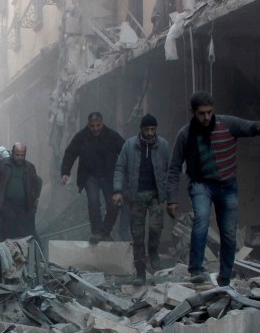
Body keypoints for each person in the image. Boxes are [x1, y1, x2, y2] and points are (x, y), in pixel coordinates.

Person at [167, 91, 260, 286]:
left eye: (209, 112)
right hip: (201, 184)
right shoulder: (185, 134)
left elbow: (254, 126)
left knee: (229, 232)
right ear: (192, 112)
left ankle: (225, 275)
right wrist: (172, 198)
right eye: (201, 113)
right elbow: (173, 168)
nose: (206, 117)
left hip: (227, 186)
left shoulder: (227, 124)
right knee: (201, 221)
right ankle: (196, 270)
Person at [113, 114, 175, 286]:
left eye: (152, 129)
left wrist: (171, 198)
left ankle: (153, 252)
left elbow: (170, 172)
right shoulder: (130, 145)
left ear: (156, 129)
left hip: (156, 194)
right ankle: (140, 272)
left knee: (156, 227)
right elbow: (119, 168)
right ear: (141, 129)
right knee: (137, 234)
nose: (149, 133)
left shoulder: (163, 145)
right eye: (146, 129)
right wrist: (117, 190)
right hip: (136, 194)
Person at [60, 112, 125, 244]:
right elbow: (70, 153)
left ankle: (105, 232)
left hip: (109, 176)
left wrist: (128, 173)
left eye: (98, 125)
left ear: (102, 122)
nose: (95, 129)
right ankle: (96, 232)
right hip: (90, 177)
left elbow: (125, 152)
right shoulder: (81, 137)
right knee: (94, 203)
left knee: (113, 205)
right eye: (92, 126)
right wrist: (65, 172)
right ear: (88, 125)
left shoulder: (112, 136)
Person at [0, 142, 42, 241]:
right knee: (6, 232)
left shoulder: (29, 167)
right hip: (6, 205)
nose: (20, 157)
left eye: (22, 155)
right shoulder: (2, 165)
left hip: (23, 207)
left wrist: (35, 198)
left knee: (24, 234)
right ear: (12, 153)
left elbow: (36, 182)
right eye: (17, 155)